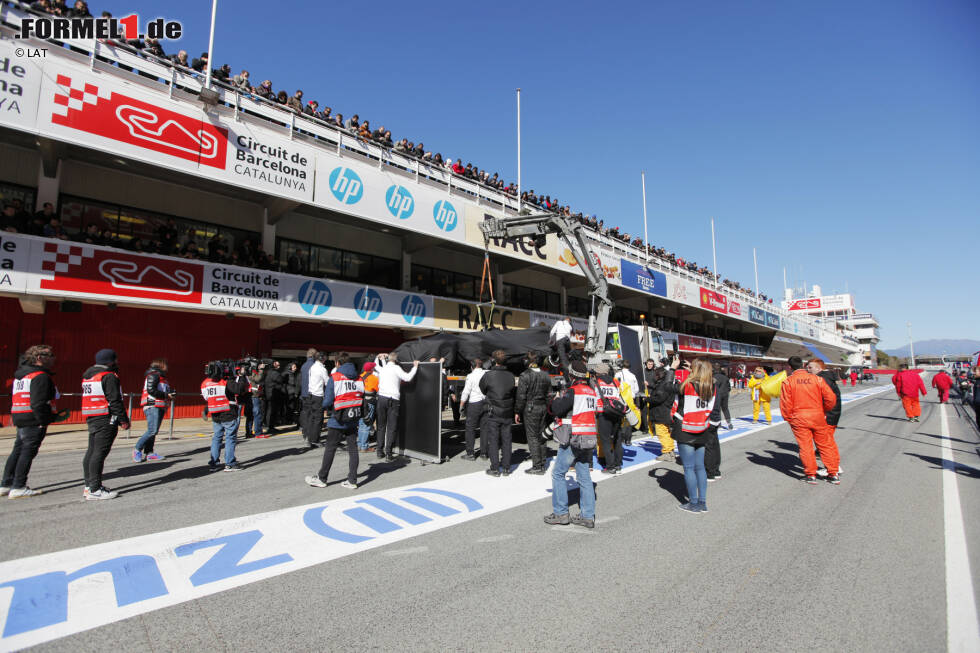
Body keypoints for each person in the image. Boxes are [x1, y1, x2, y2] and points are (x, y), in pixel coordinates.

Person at [543, 360, 598, 528]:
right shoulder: (591, 391)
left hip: (574, 438)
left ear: (572, 374)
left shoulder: (574, 391)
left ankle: (561, 513)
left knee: (558, 473)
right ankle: (587, 516)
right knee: (584, 477)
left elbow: (557, 409)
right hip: (589, 437)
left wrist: (556, 398)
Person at [2, 345, 58, 498]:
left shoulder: (22, 375)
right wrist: (44, 420)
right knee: (27, 452)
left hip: (20, 415)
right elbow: (38, 402)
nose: (53, 358)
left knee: (18, 450)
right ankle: (19, 486)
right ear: (39, 358)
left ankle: (6, 483)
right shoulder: (40, 376)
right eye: (50, 355)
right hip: (33, 418)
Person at [780, 356, 839, 484]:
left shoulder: (788, 381)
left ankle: (810, 475)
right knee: (825, 445)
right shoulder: (817, 379)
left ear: (790, 367)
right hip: (818, 416)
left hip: (799, 418)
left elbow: (785, 404)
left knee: (805, 446)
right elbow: (831, 398)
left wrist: (789, 418)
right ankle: (833, 473)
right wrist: (824, 410)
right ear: (803, 365)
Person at [672, 358, 721, 513]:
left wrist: (672, 369)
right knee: (700, 467)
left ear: (696, 370)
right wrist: (693, 369)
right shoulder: (711, 386)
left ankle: (692, 503)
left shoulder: (687, 385)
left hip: (686, 428)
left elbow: (666, 387)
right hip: (702, 427)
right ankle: (702, 502)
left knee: (688, 467)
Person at [306, 353, 361, 489]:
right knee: (353, 449)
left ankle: (322, 478)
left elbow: (328, 399)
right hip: (353, 417)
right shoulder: (359, 378)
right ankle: (352, 480)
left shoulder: (335, 377)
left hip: (338, 418)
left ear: (337, 363)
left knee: (330, 448)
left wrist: (324, 407)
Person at [81, 349, 130, 500]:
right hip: (105, 417)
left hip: (92, 416)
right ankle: (95, 489)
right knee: (99, 453)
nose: (117, 363)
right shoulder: (108, 376)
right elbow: (115, 400)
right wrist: (123, 420)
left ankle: (89, 486)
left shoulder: (89, 376)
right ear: (110, 361)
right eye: (115, 360)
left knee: (91, 451)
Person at [374, 352, 419, 461]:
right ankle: (388, 452)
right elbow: (407, 378)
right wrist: (415, 367)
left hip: (381, 398)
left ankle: (379, 451)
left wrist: (378, 357)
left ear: (388, 359)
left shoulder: (383, 368)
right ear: (396, 360)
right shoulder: (397, 368)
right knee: (391, 427)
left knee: (381, 426)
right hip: (393, 399)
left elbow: (375, 365)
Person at [201, 363, 245, 471]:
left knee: (217, 438)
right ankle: (230, 463)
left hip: (215, 413)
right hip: (228, 412)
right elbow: (239, 389)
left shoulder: (205, 383)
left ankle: (214, 463)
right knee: (230, 438)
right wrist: (241, 377)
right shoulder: (226, 382)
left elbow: (206, 398)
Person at [479, 350, 517, 476]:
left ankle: (495, 468)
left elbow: (482, 388)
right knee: (507, 439)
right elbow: (512, 391)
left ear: (494, 360)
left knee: (494, 440)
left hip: (493, 410)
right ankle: (506, 468)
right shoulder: (510, 375)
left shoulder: (489, 375)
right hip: (506, 410)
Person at [515, 352, 551, 474]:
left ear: (528, 362)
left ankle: (537, 466)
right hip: (543, 407)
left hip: (530, 408)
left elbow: (521, 396)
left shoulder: (524, 375)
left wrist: (517, 411)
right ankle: (542, 463)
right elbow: (549, 395)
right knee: (542, 436)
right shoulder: (546, 375)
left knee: (532, 437)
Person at [133, 358, 174, 462]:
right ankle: (137, 449)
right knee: (152, 430)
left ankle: (149, 453)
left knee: (153, 431)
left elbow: (163, 391)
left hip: (159, 405)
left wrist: (170, 394)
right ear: (161, 365)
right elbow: (151, 390)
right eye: (165, 365)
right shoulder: (153, 375)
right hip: (152, 404)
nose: (167, 367)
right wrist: (166, 395)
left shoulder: (162, 378)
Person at [808, 359, 843, 478]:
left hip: (828, 416)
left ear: (818, 368)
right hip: (832, 414)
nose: (808, 370)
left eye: (810, 368)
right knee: (829, 442)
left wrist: (823, 414)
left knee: (825, 443)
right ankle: (835, 466)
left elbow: (827, 399)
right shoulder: (827, 377)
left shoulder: (822, 379)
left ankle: (832, 469)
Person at [593, 363, 625, 474]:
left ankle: (610, 466)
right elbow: (620, 395)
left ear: (598, 372)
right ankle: (618, 464)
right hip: (616, 412)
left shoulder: (596, 382)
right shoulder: (615, 381)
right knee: (617, 439)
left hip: (603, 413)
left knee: (605, 440)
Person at [649, 361, 679, 462]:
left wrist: (647, 399)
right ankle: (670, 451)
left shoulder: (662, 385)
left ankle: (667, 452)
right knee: (666, 432)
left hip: (660, 411)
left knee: (661, 432)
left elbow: (659, 398)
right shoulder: (667, 384)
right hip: (666, 410)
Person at [458, 358, 487, 460]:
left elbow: (466, 391)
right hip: (485, 403)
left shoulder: (470, 376)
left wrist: (461, 404)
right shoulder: (486, 373)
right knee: (484, 428)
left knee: (470, 429)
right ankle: (484, 453)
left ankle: (470, 453)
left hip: (474, 404)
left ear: (472, 366)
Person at [305, 352, 329, 447]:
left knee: (312, 417)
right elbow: (327, 382)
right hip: (318, 395)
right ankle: (315, 440)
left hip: (311, 394)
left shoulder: (312, 367)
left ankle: (309, 437)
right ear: (322, 359)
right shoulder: (322, 369)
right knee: (318, 419)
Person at [614, 360, 640, 443]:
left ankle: (620, 438)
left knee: (619, 419)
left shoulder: (618, 374)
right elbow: (636, 389)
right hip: (630, 400)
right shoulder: (633, 376)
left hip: (620, 399)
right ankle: (628, 439)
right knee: (629, 419)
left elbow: (615, 386)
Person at [357, 361, 379, 452]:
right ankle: (364, 446)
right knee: (367, 423)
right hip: (369, 402)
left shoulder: (360, 376)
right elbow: (378, 389)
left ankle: (360, 444)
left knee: (361, 423)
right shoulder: (374, 378)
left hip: (360, 402)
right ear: (371, 369)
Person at [298, 348, 317, 441]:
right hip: (311, 393)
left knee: (305, 413)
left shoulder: (304, 366)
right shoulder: (314, 366)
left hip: (304, 393)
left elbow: (300, 380)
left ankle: (304, 432)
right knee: (312, 415)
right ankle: (309, 435)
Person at [263, 360, 284, 433]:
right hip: (273, 394)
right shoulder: (275, 373)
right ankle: (271, 426)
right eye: (277, 365)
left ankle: (268, 425)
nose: (279, 366)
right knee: (272, 410)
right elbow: (281, 380)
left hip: (268, 393)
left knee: (269, 409)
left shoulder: (267, 372)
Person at [712, 363, 733, 430]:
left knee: (717, 409)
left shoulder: (713, 377)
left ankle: (719, 424)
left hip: (717, 395)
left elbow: (712, 387)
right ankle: (729, 423)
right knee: (725, 409)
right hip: (725, 394)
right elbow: (729, 388)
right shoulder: (725, 377)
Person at [249, 364, 266, 438]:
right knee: (257, 414)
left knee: (253, 414)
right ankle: (258, 432)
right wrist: (261, 370)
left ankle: (250, 432)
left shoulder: (252, 372)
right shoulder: (251, 372)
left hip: (255, 395)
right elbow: (257, 379)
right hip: (254, 396)